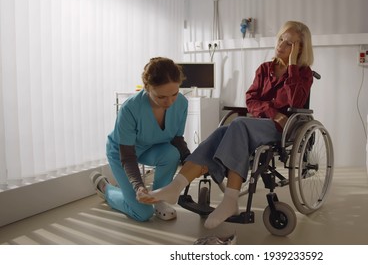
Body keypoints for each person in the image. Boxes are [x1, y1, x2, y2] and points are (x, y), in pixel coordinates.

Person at [140, 21, 314, 229]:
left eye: (290, 44)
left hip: (283, 129)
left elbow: (295, 102)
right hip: (257, 123)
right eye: (280, 39)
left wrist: (293, 65)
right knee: (224, 130)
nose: (281, 46)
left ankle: (229, 200)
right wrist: (271, 112)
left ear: (299, 49)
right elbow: (251, 100)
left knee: (238, 124)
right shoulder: (265, 69)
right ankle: (177, 186)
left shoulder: (304, 73)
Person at [90, 57, 190, 222]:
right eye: (161, 96)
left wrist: (189, 158)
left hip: (151, 147)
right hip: (122, 153)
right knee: (142, 213)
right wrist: (139, 187)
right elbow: (128, 156)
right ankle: (106, 188)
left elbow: (177, 140)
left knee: (172, 153)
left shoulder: (182, 103)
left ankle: (159, 200)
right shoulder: (130, 108)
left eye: (174, 94)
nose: (170, 101)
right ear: (148, 88)